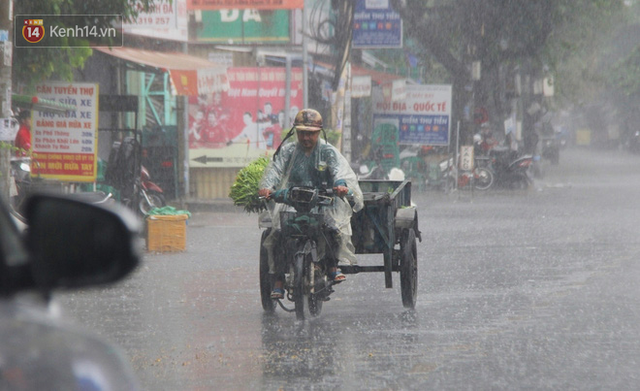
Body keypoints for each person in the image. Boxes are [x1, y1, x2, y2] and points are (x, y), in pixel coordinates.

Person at [258, 108, 364, 300]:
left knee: (333, 229)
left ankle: (332, 267)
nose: (306, 138)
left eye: (311, 133)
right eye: (302, 133)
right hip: (292, 201)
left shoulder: (327, 151)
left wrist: (340, 185)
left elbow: (338, 171)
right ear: (296, 132)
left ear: (318, 133)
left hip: (324, 202)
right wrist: (267, 187)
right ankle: (279, 281)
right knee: (278, 234)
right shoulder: (289, 151)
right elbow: (275, 170)